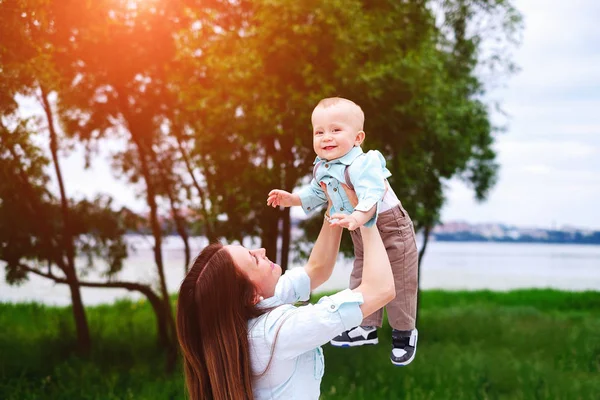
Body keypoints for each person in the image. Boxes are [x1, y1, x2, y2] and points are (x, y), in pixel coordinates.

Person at [176, 185, 395, 400]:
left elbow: (317, 270)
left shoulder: (247, 312)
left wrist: (334, 199)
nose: (261, 251)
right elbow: (380, 289)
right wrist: (365, 214)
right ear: (251, 295)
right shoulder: (277, 333)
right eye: (254, 259)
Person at [267, 97, 419, 366]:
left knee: (400, 279)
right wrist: (292, 199)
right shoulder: (322, 167)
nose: (326, 137)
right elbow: (317, 193)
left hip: (389, 225)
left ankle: (404, 332)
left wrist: (359, 215)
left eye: (336, 130)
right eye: (319, 131)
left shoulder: (363, 163)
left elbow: (373, 192)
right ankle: (366, 326)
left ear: (358, 137)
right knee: (361, 272)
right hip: (358, 226)